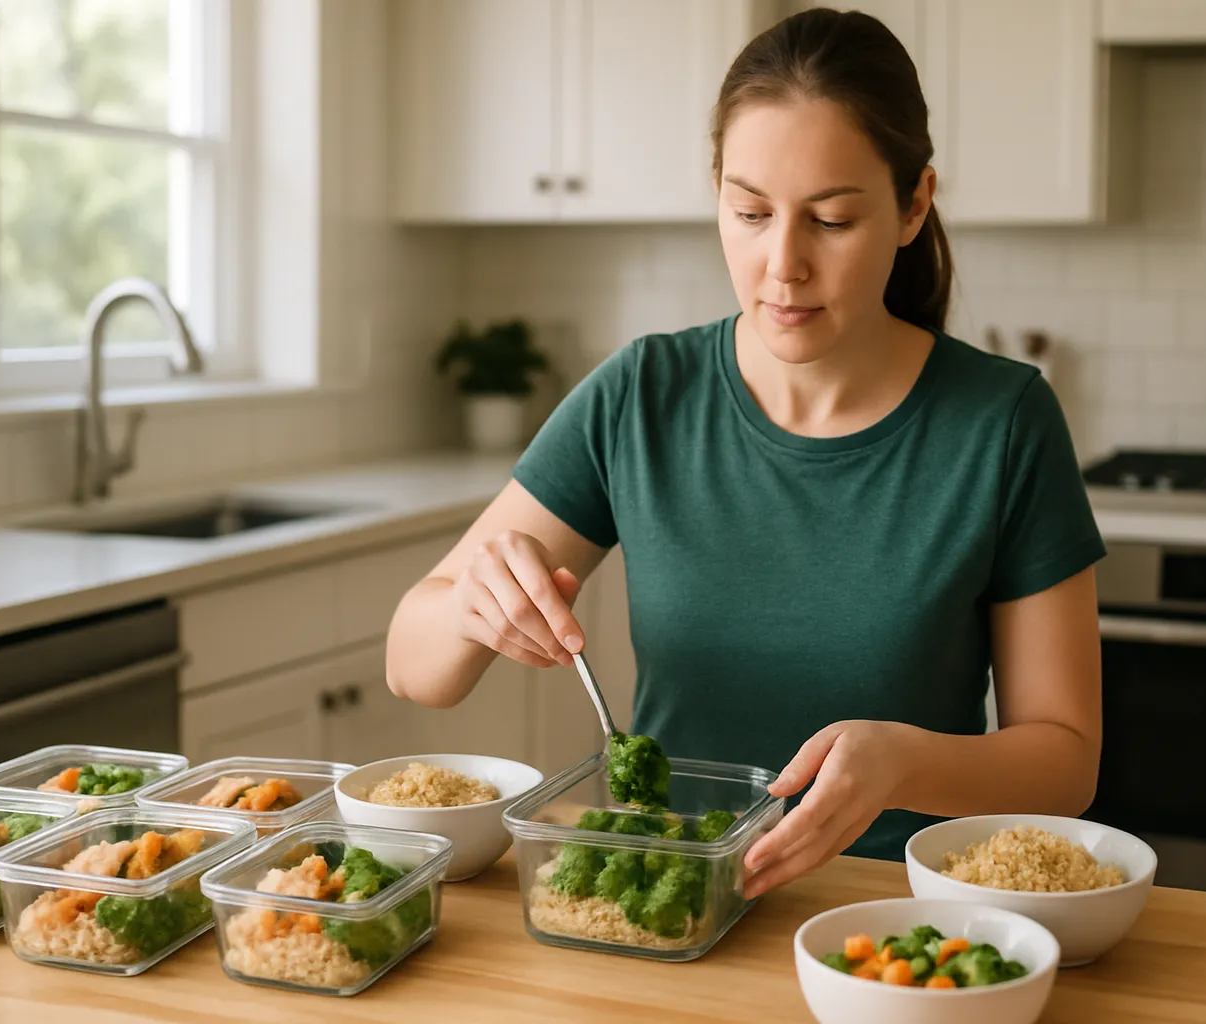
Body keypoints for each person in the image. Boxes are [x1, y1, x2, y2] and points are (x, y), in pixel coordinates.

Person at [386, 7, 1105, 899]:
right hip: (660, 906)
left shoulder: (1001, 422)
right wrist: (473, 610)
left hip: (888, 926)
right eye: (751, 212)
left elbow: (1065, 760)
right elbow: (413, 666)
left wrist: (903, 764)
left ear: (914, 203)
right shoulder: (642, 396)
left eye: (832, 221)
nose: (783, 264)